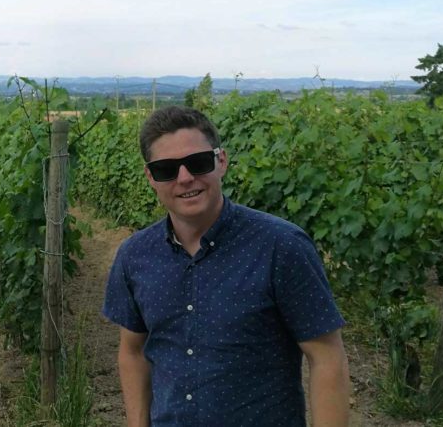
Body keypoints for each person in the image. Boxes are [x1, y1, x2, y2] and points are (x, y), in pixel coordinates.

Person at [102, 106, 350, 426]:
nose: (185, 178)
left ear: (222, 161)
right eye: (166, 169)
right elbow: (132, 352)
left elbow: (327, 356)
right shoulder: (134, 256)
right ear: (151, 177)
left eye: (198, 162)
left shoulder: (281, 247)